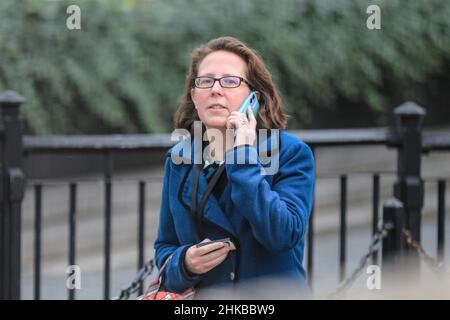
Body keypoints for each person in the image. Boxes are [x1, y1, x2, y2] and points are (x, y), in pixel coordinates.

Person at [153, 36, 315, 299]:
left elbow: (281, 235)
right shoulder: (179, 159)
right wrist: (185, 263)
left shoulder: (290, 153)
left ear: (254, 97)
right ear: (195, 96)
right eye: (205, 81)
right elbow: (165, 246)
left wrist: (242, 155)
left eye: (230, 81)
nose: (216, 90)